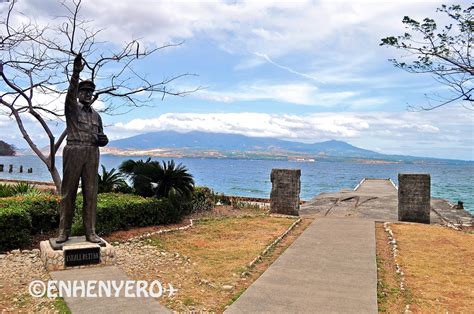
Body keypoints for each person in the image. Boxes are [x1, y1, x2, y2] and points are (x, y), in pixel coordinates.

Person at [56, 53, 108, 243]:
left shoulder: (96, 116)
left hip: (92, 153)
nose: (87, 94)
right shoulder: (72, 108)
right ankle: (64, 231)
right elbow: (69, 93)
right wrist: (76, 73)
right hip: (74, 150)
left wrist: (104, 140)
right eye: (84, 91)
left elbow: (101, 136)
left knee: (91, 193)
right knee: (68, 192)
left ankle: (90, 232)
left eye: (90, 92)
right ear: (78, 94)